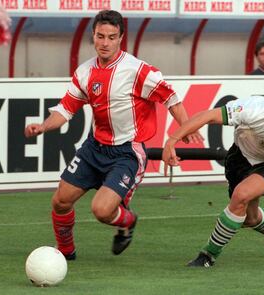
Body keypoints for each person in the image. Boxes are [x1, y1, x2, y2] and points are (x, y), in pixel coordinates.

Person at [24, 10, 202, 260]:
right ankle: (65, 252)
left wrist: (187, 127)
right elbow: (65, 109)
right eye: (100, 36)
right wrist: (43, 126)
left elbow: (171, 98)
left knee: (101, 210)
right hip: (94, 148)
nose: (105, 42)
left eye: (111, 37)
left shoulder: (138, 70)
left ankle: (127, 222)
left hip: (126, 152)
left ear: (120, 38)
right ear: (93, 36)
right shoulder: (85, 72)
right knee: (60, 201)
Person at [162, 95, 264, 267]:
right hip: (240, 157)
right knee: (248, 219)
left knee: (241, 195)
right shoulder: (256, 109)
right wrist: (172, 141)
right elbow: (208, 115)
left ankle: (208, 255)